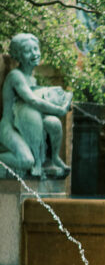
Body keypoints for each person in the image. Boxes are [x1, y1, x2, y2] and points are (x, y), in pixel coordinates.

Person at [0, 33, 72, 179]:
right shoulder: (15, 76)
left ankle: (54, 158)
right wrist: (59, 110)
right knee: (26, 161)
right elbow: (33, 101)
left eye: (36, 49)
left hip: (23, 125)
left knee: (53, 123)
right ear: (18, 56)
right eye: (28, 51)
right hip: (9, 128)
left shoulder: (32, 79)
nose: (34, 54)